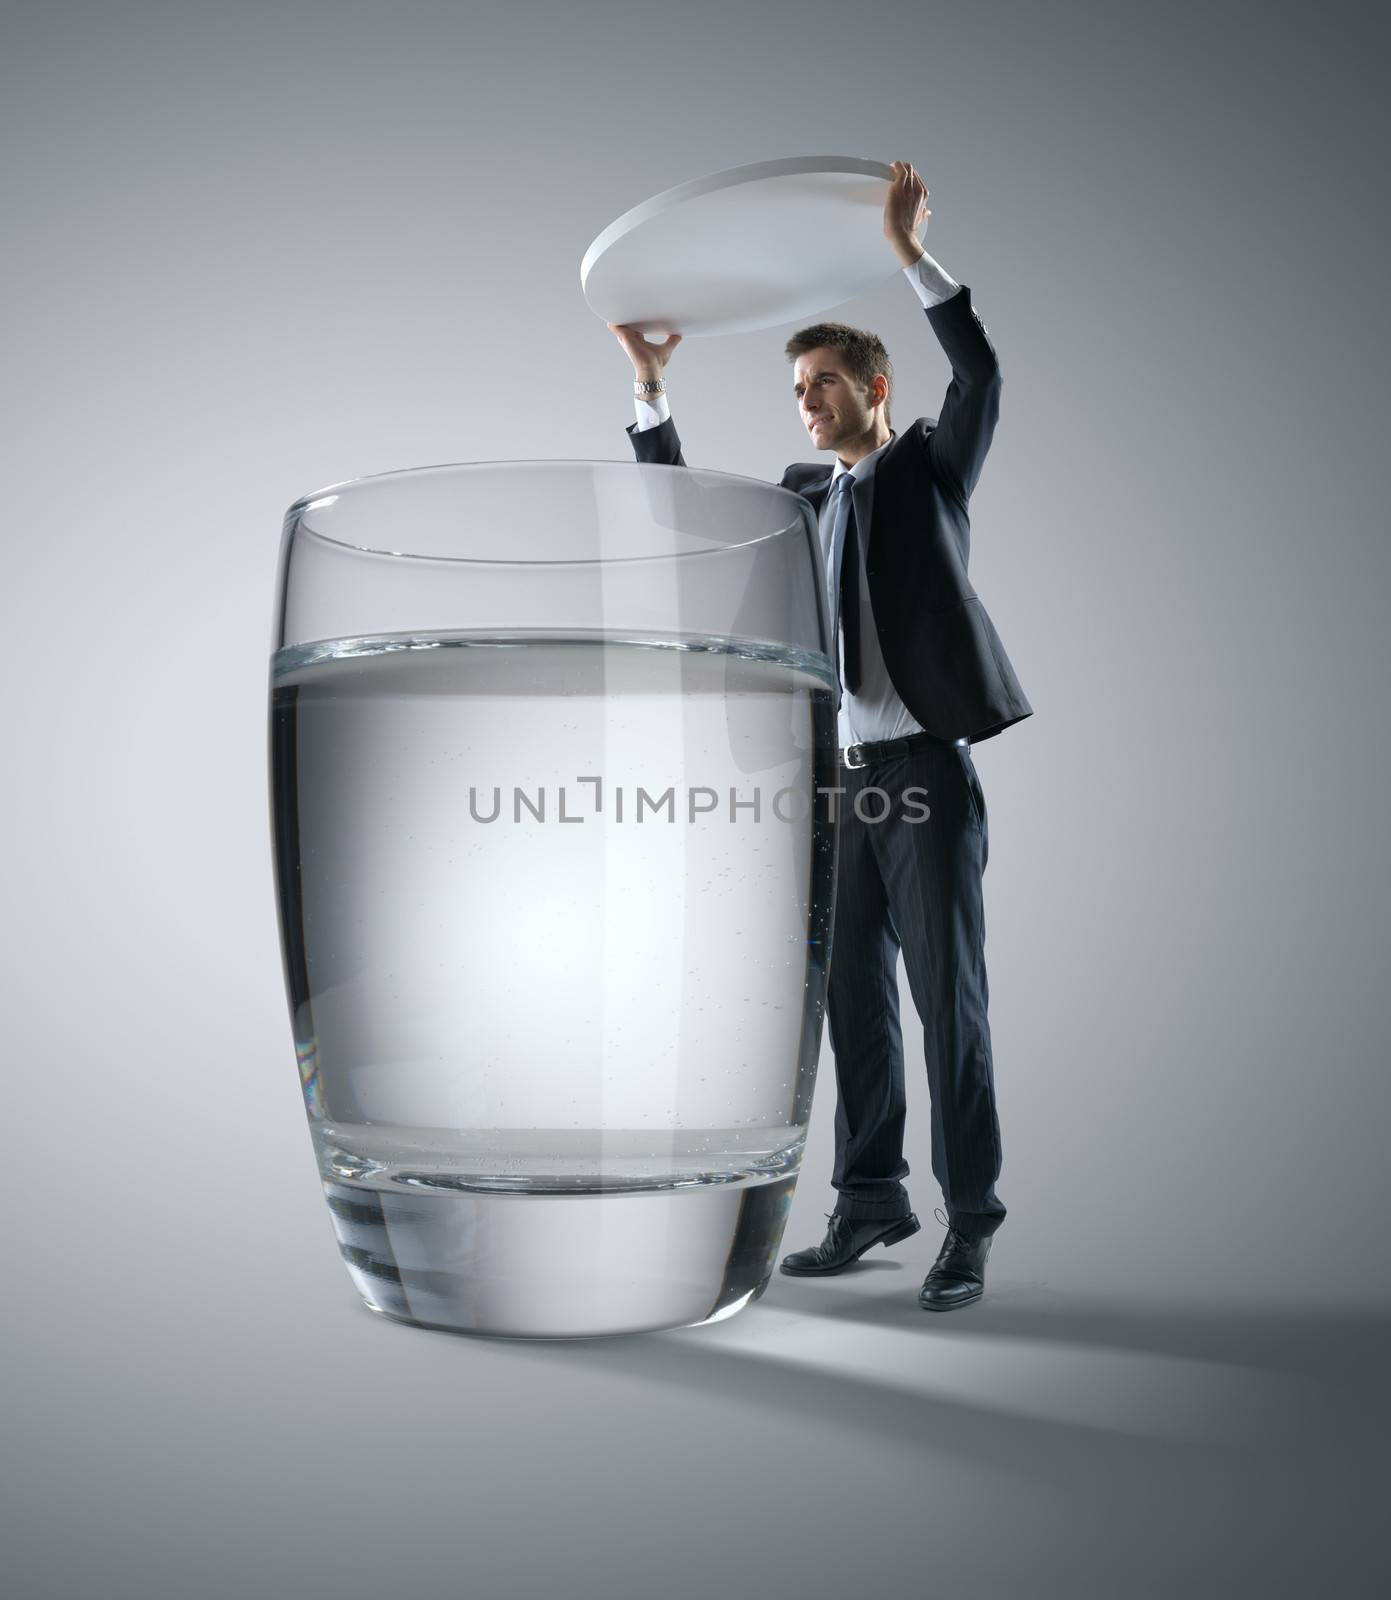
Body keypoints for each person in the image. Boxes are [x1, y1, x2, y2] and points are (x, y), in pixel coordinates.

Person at [609, 161, 1031, 1312]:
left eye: (826, 380)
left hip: (924, 778)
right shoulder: (800, 497)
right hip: (839, 791)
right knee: (850, 1007)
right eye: (798, 385)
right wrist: (649, 393)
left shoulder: (926, 469)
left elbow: (982, 370)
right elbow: (695, 528)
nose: (806, 400)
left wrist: (909, 256)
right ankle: (868, 1203)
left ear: (874, 385)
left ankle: (970, 1222)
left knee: (949, 1006)